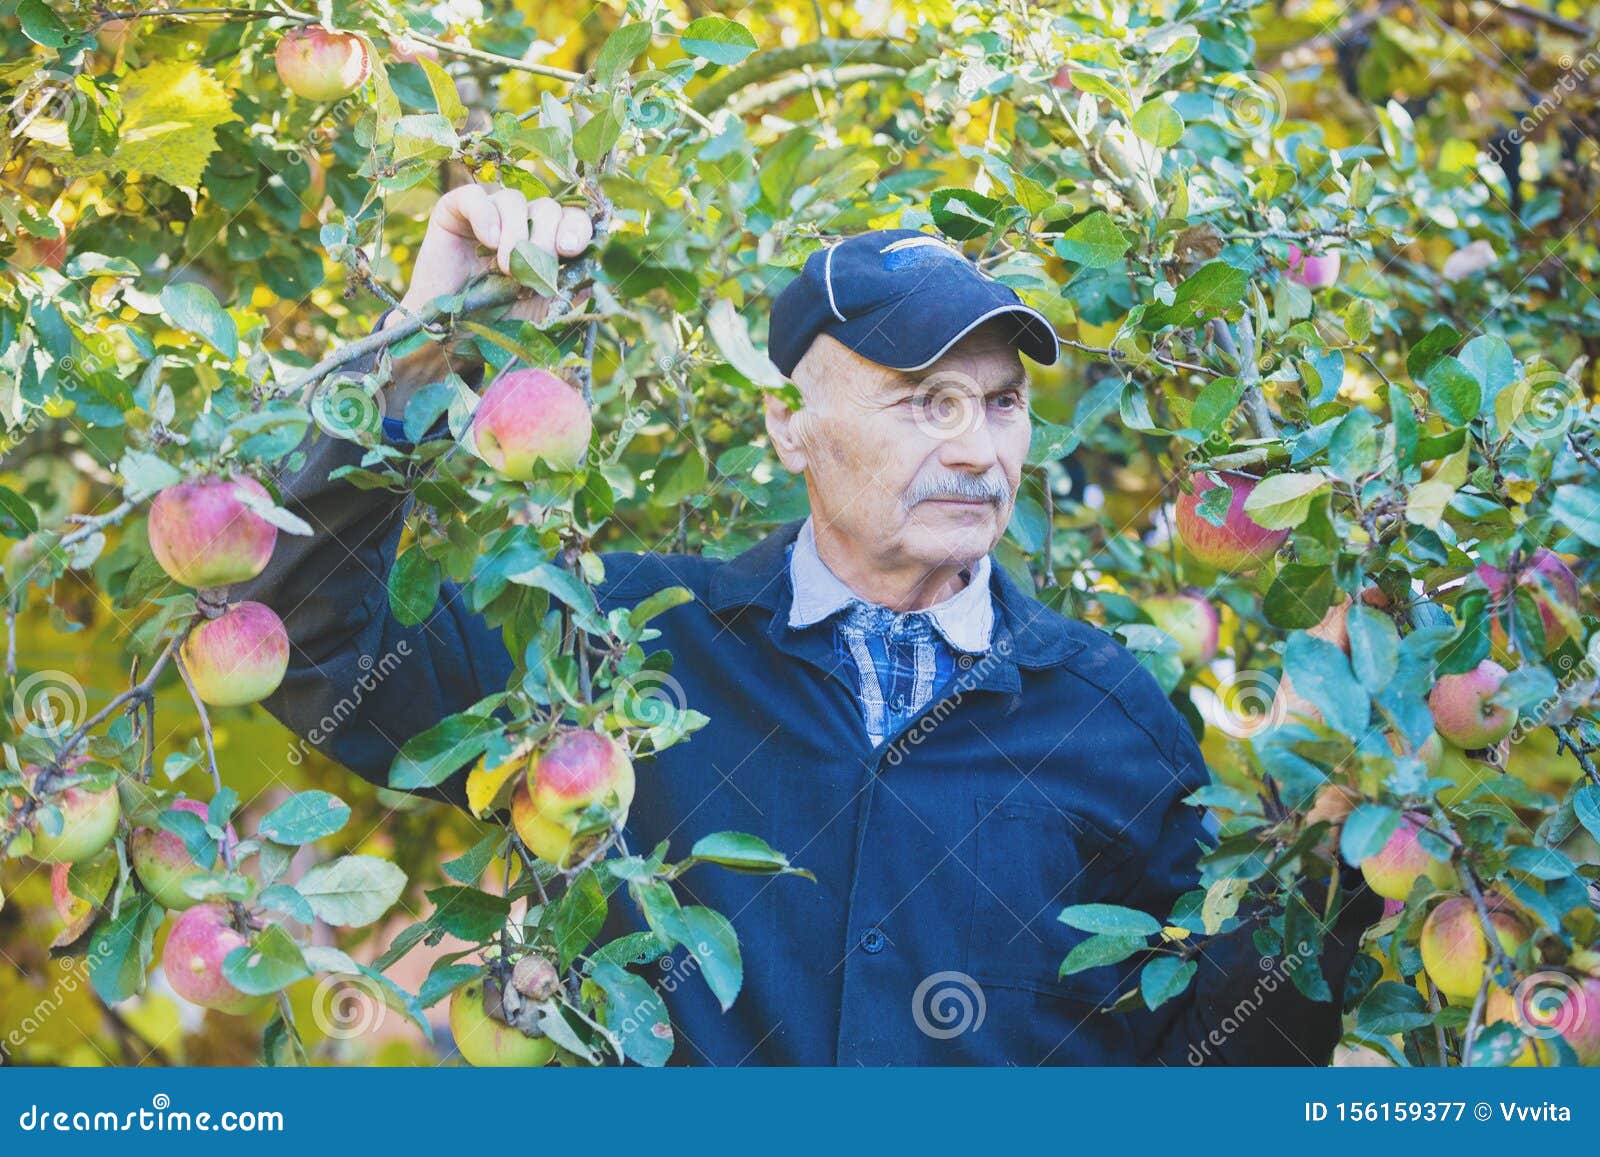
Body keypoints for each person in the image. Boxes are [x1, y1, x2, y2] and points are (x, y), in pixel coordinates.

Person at [238, 183, 1381, 1065]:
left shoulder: (1110, 711)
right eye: (921, 400)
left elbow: (1215, 1064)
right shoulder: (624, 638)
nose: (979, 448)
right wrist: (420, 341)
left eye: (999, 402)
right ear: (789, 428)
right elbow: (310, 640)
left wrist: (1334, 839)